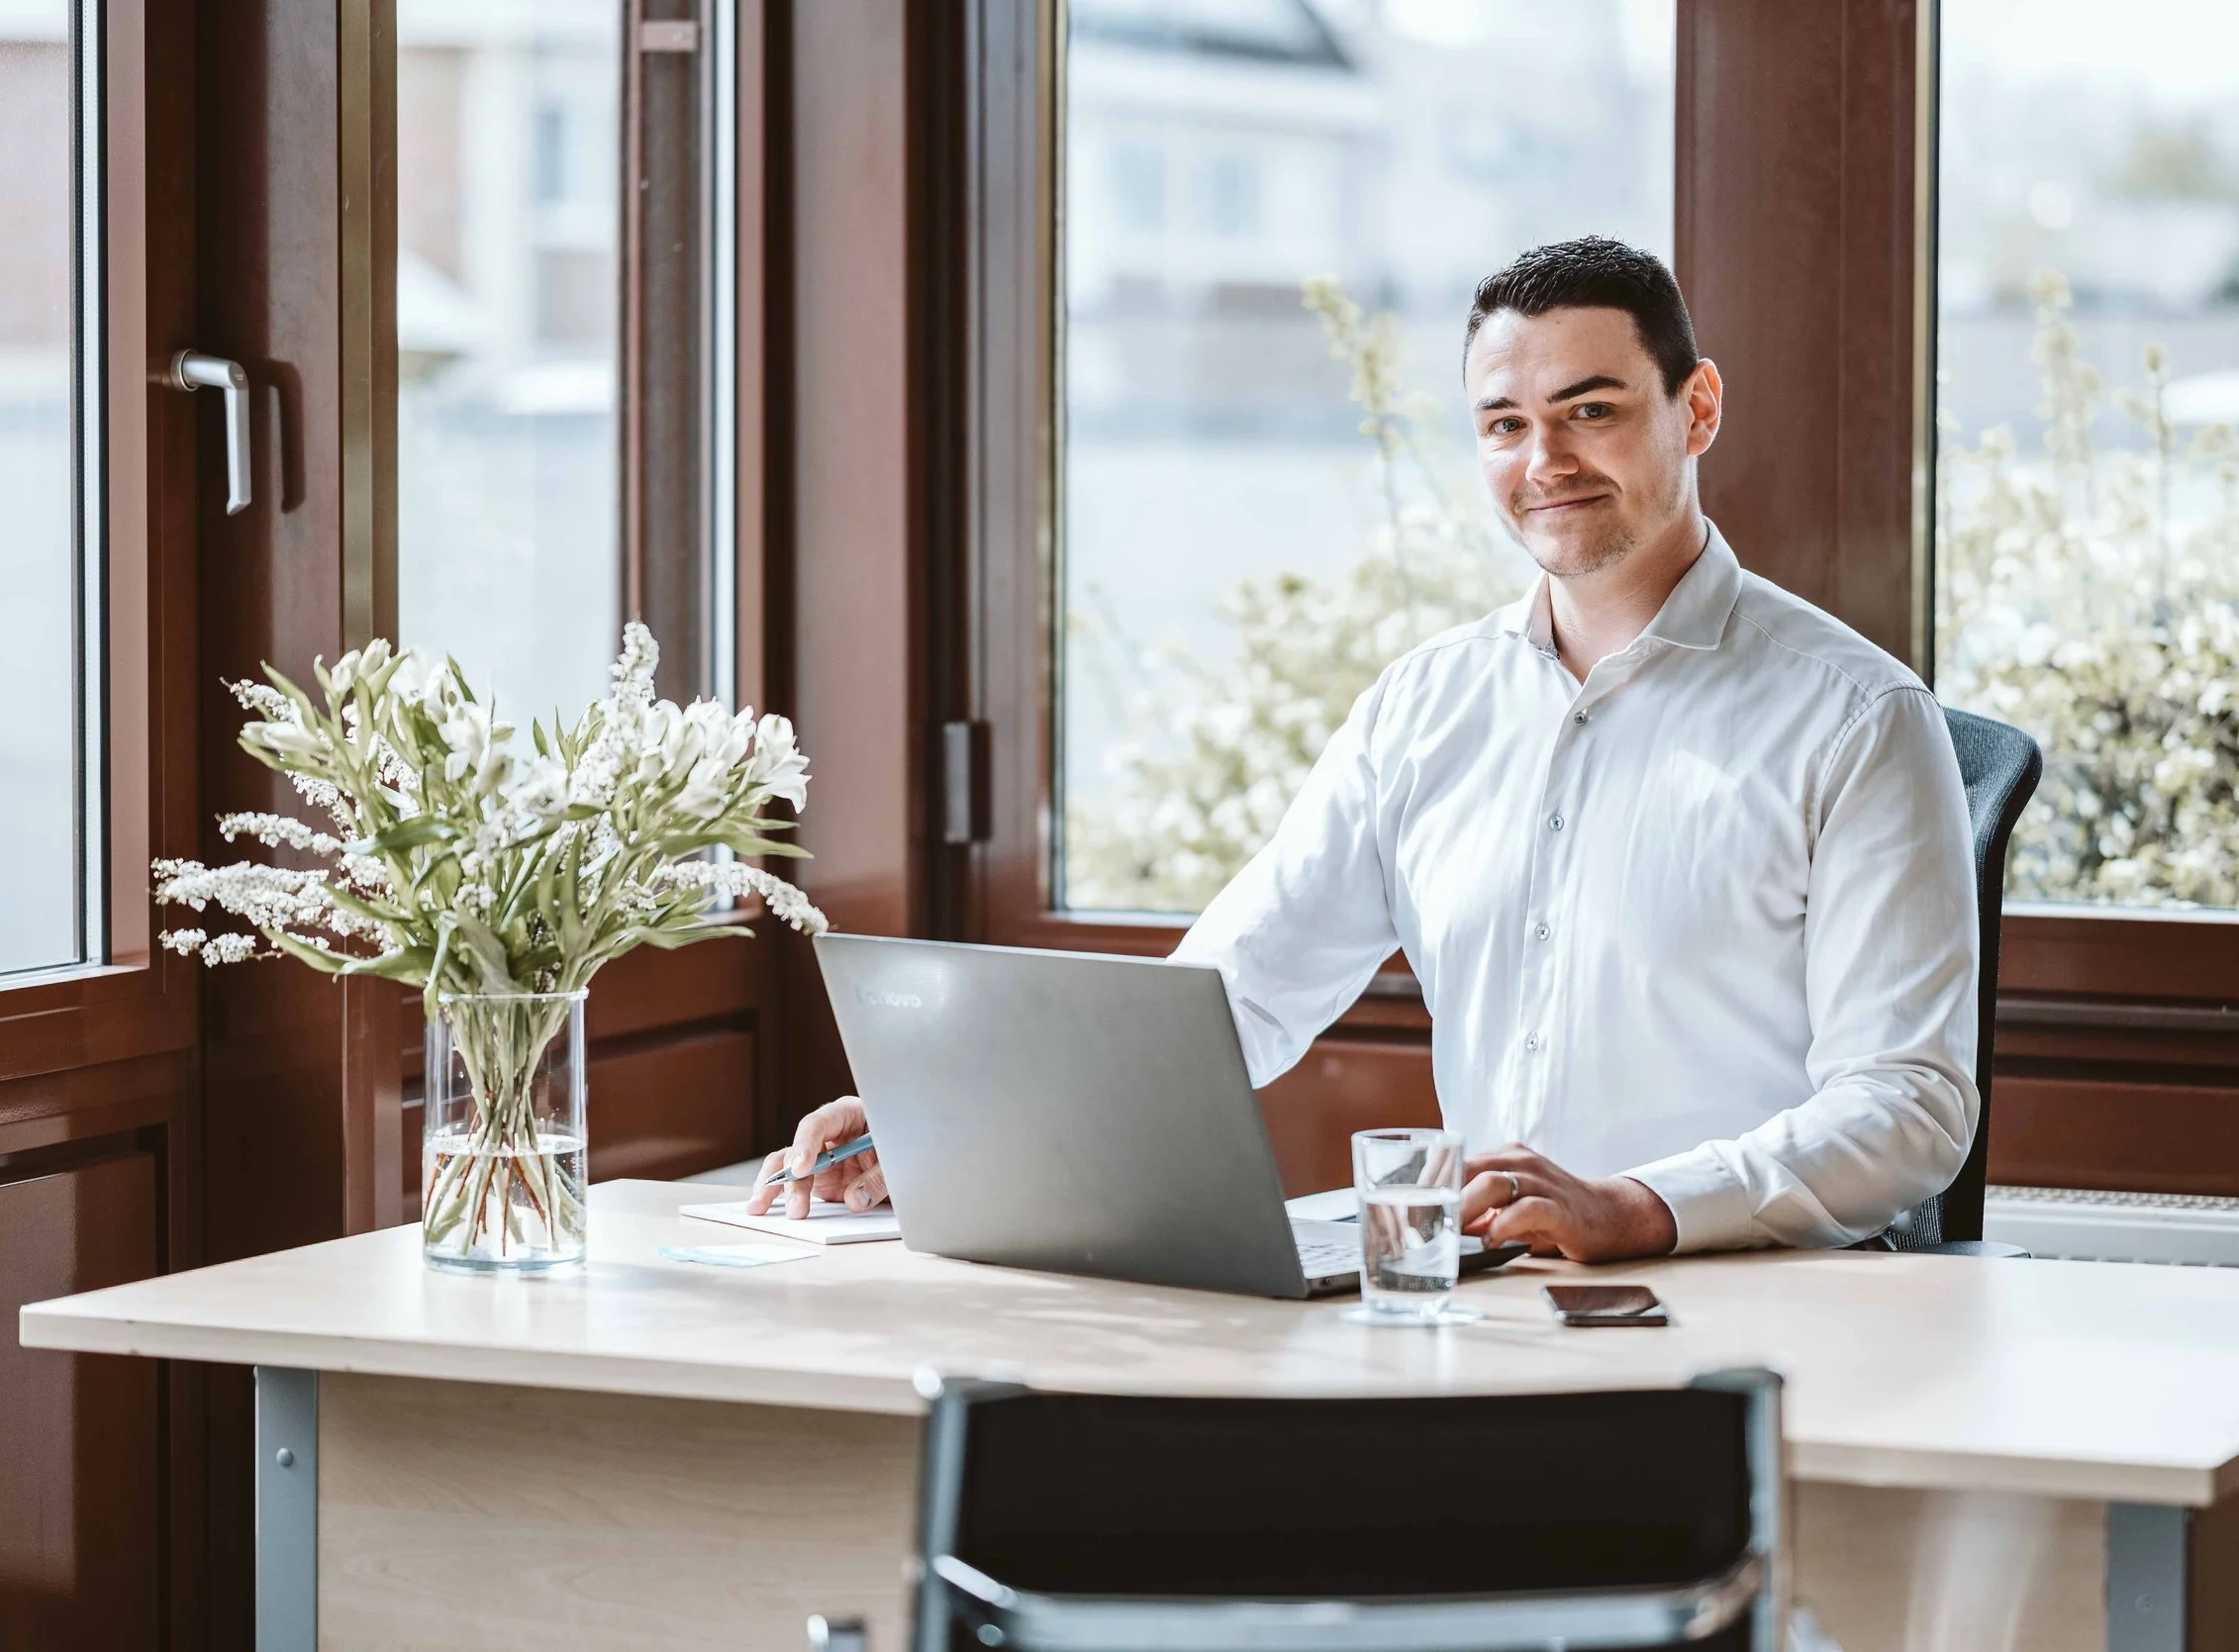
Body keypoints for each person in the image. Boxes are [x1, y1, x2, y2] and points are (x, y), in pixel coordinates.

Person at [753, 236, 1980, 1262]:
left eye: (1591, 411)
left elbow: (1909, 1104)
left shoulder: (1858, 718)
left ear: (1695, 408)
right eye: (1504, 423)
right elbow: (1235, 991)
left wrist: (1641, 1206)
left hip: (1753, 1301)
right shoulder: (1423, 709)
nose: (1543, 461)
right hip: (1486, 1296)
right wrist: (949, 1123)